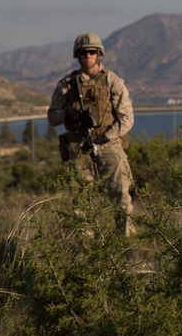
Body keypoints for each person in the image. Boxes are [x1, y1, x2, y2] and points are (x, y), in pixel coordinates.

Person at [47, 33, 136, 236]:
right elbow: (52, 117)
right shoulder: (67, 85)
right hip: (79, 148)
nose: (88, 55)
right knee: (81, 204)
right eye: (83, 52)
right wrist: (67, 115)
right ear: (77, 55)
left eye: (92, 52)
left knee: (121, 198)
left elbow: (126, 118)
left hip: (109, 146)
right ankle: (84, 251)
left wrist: (104, 138)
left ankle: (126, 245)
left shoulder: (113, 81)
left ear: (99, 54)